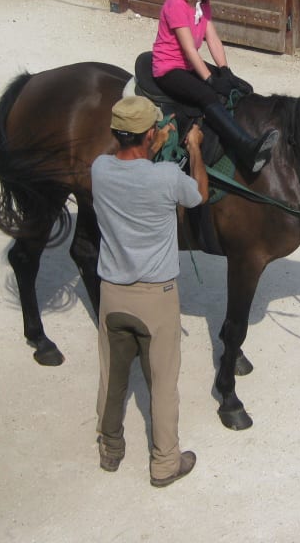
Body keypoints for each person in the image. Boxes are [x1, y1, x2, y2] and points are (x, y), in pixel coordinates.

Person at [89, 96, 209, 488]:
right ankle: (165, 463)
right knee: (162, 383)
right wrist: (193, 149)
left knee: (112, 378)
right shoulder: (167, 179)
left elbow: (125, 158)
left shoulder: (100, 169)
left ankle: (110, 448)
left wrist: (148, 145)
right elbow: (199, 195)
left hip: (112, 294)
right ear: (151, 133)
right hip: (156, 297)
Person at [151, 0, 279, 174]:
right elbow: (189, 49)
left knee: (239, 87)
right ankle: (245, 147)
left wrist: (225, 70)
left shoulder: (203, 3)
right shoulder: (176, 4)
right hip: (169, 68)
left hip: (188, 66)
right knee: (207, 94)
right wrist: (210, 79)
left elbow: (213, 38)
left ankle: (243, 134)